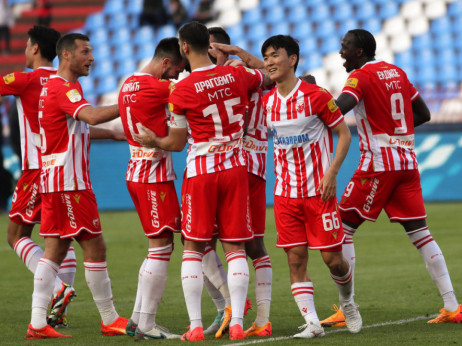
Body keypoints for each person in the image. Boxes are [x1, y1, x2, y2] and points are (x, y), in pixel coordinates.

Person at [133, 21, 271, 341]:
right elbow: (268, 73)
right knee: (235, 247)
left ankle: (195, 326)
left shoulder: (180, 89)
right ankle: (236, 322)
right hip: (236, 167)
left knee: (193, 248)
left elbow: (178, 143)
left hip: (201, 173)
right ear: (209, 46)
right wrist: (235, 53)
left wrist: (154, 140)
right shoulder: (237, 73)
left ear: (183, 47)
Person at [320, 28, 462, 327]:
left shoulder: (360, 76)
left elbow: (341, 107)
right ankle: (451, 305)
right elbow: (422, 113)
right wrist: (398, 134)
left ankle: (347, 307)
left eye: (344, 47)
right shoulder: (396, 72)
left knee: (343, 228)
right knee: (421, 235)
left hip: (378, 165)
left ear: (358, 51)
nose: (340, 52)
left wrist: (312, 103)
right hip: (407, 162)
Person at [26, 33, 128, 339]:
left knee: (54, 251)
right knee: (94, 246)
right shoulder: (62, 88)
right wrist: (130, 101)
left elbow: (78, 127)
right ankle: (109, 319)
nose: (92, 57)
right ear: (66, 55)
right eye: (85, 51)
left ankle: (38, 323)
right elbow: (93, 114)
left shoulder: (61, 88)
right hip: (69, 182)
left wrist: (111, 135)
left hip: (57, 179)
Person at [260, 35, 362, 338]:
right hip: (285, 196)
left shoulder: (316, 96)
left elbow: (344, 135)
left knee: (333, 259)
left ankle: (348, 303)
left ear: (292, 59)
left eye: (274, 55)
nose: (268, 62)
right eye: (265, 57)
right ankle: (313, 323)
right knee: (295, 258)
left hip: (320, 194)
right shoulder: (267, 103)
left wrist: (331, 173)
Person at [1, 26, 79, 329]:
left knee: (16, 236)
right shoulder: (65, 82)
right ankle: (58, 312)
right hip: (65, 170)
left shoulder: (26, 79)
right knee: (61, 240)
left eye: (26, 44)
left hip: (37, 168)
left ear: (34, 49)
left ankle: (58, 286)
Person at [206, 28, 273, 338]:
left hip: (234, 164)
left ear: (220, 47)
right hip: (253, 163)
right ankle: (258, 318)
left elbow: (238, 118)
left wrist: (235, 53)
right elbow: (272, 75)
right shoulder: (247, 72)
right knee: (250, 244)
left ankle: (231, 306)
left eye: (209, 49)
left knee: (200, 241)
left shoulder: (231, 73)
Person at [118, 37, 185, 340]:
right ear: (166, 63)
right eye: (175, 72)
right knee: (161, 248)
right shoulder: (158, 87)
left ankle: (136, 318)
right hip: (152, 175)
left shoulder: (127, 83)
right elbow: (191, 92)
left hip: (136, 169)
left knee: (158, 247)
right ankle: (147, 323)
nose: (176, 78)